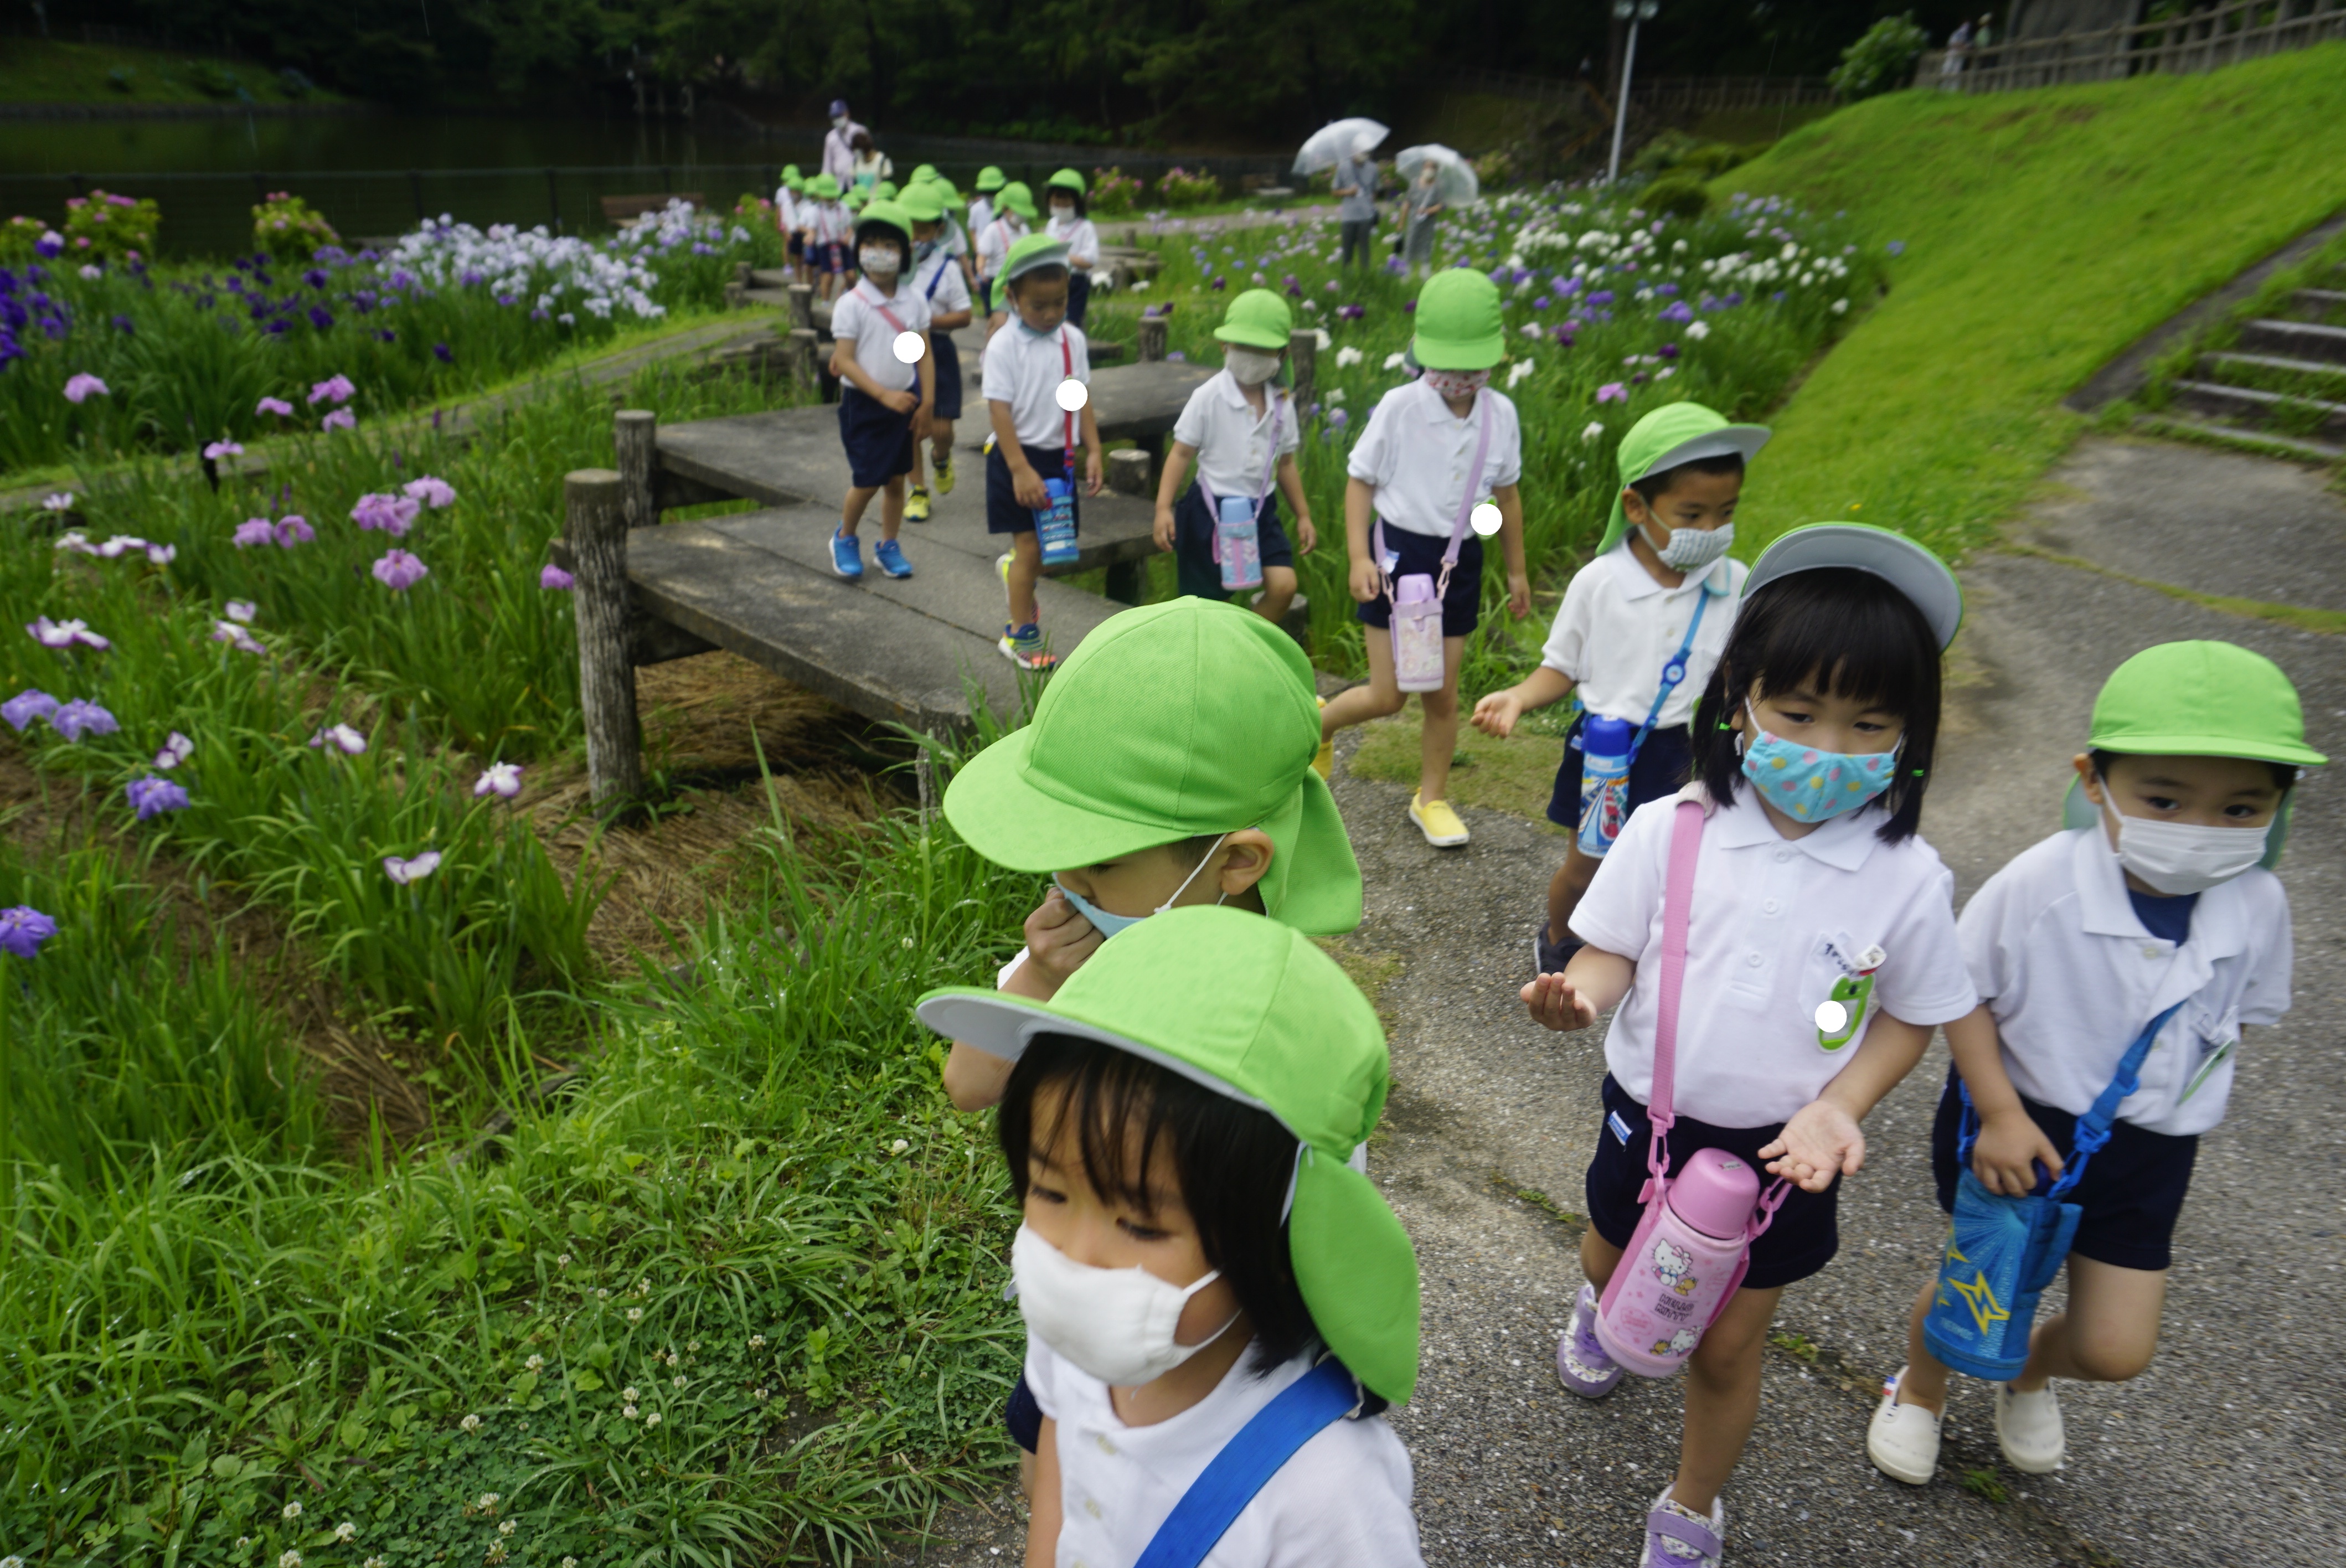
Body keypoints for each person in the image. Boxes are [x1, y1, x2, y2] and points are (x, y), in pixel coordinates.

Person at [1524, 523, 1988, 1568]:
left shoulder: (1907, 874)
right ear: (1737, 700)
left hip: (1787, 1154)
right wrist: (1578, 996)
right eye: (1795, 712)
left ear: (1911, 736)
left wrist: (1842, 1103)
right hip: (1648, 1121)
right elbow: (1609, 954)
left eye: (1866, 724)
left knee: (1729, 1344)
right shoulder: (1667, 828)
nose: (1824, 751)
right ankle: (1600, 1303)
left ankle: (1692, 1502)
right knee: (1607, 1251)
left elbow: (1911, 1012)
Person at [1865, 641, 2320, 1488]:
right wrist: (1998, 1113)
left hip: (2150, 1149)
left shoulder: (2259, 902)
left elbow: (2244, 1018)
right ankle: (1919, 1388)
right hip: (2022, 1119)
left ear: (2279, 808)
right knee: (1981, 1275)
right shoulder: (2044, 883)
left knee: (2116, 1349)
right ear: (2093, 779)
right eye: (2164, 798)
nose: (2198, 830)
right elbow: (1960, 994)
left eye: (2239, 810)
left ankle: (2029, 1370)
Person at [915, 907, 1421, 1567]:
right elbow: (1061, 1468)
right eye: (1049, 1191)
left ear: (1279, 1233)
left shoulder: (1328, 1494)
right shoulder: (1081, 1336)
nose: (1078, 1258)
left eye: (1140, 1224)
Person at [1472, 401, 1771, 974]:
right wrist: (1517, 697)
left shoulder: (1735, 583)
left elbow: (1744, 674)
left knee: (1682, 867)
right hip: (1607, 756)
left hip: (1692, 753)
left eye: (1724, 512)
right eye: (1690, 515)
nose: (1710, 531)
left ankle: (1652, 957)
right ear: (1636, 506)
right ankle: (1559, 939)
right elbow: (1560, 669)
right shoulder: (1599, 583)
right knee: (1587, 867)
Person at [1317, 268, 1529, 849]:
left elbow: (1506, 496)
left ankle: (1431, 797)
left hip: (1459, 559)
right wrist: (1359, 557)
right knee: (1388, 696)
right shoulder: (1399, 407)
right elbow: (1360, 483)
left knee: (1441, 693)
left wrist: (1517, 570)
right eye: (1449, 365)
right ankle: (1318, 726)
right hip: (1398, 558)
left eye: (1472, 367)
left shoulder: (1499, 415)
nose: (1460, 379)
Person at [1152, 289, 1316, 626]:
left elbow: (1285, 463)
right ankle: (1205, 653)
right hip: (1209, 512)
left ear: (1282, 354)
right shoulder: (1209, 397)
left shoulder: (1281, 405)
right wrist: (1163, 508)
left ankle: (1244, 642)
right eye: (1243, 347)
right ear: (1224, 347)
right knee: (1205, 604)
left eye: (1262, 350)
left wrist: (1303, 514)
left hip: (1261, 510)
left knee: (1284, 586)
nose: (1251, 357)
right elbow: (1182, 453)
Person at [981, 234, 1102, 670]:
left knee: (1053, 555)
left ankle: (1016, 571)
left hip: (1060, 460)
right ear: (1012, 297)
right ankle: (1018, 634)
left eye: (1060, 302)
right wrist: (1018, 469)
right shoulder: (1003, 346)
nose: (1051, 314)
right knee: (1032, 549)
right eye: (1038, 305)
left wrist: (1093, 448)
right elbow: (999, 412)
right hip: (1017, 459)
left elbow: (1079, 396)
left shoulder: (1071, 339)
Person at [824, 199, 931, 582]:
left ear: (904, 254)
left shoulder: (913, 300)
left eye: (890, 245)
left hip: (903, 404)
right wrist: (883, 395)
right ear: (859, 250)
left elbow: (923, 353)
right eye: (871, 243)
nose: (879, 253)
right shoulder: (851, 304)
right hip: (864, 406)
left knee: (895, 481)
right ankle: (845, 536)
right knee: (867, 479)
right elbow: (846, 360)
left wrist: (928, 401)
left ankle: (888, 545)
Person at [898, 183, 973, 527]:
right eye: (909, 228)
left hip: (938, 350)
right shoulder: (893, 266)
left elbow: (965, 315)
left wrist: (926, 322)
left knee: (941, 429)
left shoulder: (948, 269)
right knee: (910, 427)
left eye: (923, 229)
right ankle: (918, 491)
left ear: (939, 231)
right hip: (901, 352)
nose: (915, 237)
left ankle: (941, 457)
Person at [976, 181, 1038, 333]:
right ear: (1005, 209)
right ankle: (992, 351)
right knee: (1001, 323)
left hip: (1014, 281)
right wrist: (980, 270)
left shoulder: (1025, 230)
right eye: (1018, 212)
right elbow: (982, 254)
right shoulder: (994, 229)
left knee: (1001, 319)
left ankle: (990, 341)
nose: (1022, 217)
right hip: (994, 282)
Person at [1043, 169, 1101, 328]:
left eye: (1066, 203)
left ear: (1077, 202)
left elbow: (1090, 260)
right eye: (1056, 203)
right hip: (1052, 279)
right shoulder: (1052, 225)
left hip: (1075, 282)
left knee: (1070, 324)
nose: (1061, 207)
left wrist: (1063, 257)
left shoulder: (1085, 227)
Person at [803, 172, 850, 301]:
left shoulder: (843, 208)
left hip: (842, 244)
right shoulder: (816, 211)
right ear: (820, 196)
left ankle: (850, 295)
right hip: (825, 245)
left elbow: (849, 227)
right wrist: (810, 236)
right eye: (827, 197)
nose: (830, 200)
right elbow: (812, 229)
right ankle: (825, 302)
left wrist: (847, 236)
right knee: (828, 275)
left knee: (851, 275)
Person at [1332, 140, 1379, 267]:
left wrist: (1371, 205)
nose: (1364, 154)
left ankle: (1365, 278)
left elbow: (1375, 190)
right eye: (1362, 151)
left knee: (1365, 250)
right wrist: (1348, 192)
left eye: (1367, 152)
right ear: (1354, 151)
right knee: (1347, 251)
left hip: (1366, 216)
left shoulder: (1373, 168)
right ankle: (1347, 277)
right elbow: (1335, 192)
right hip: (1349, 217)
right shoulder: (1343, 167)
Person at [1399, 159, 1443, 277]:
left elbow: (1440, 206)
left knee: (1426, 247)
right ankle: (1406, 275)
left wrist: (1428, 211)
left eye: (1432, 167)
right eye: (1427, 167)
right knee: (1410, 245)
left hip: (1428, 223)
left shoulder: (1437, 186)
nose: (1429, 170)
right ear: (1423, 168)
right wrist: (1401, 222)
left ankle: (1425, 276)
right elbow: (1407, 202)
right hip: (1414, 221)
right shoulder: (1414, 183)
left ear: (1436, 170)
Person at [773, 166, 808, 286]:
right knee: (792, 250)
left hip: (803, 231)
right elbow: (780, 211)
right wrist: (779, 223)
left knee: (804, 256)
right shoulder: (785, 197)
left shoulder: (806, 203)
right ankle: (788, 266)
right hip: (792, 229)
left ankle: (804, 278)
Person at [820, 99, 865, 188]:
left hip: (859, 181)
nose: (837, 119)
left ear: (847, 114)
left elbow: (868, 155)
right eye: (834, 117)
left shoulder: (859, 131)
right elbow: (827, 166)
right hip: (839, 183)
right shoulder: (831, 137)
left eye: (839, 116)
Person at [849, 130, 892, 195]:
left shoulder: (882, 161)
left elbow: (888, 186)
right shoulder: (856, 162)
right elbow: (854, 184)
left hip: (877, 203)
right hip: (860, 203)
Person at [969, 165, 1006, 241]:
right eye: (987, 193)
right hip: (983, 251)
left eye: (994, 192)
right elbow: (972, 229)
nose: (991, 196)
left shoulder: (1007, 209)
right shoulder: (975, 209)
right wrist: (977, 250)